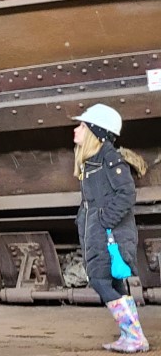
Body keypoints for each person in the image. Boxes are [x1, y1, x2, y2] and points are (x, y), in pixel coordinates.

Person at [73, 104, 149, 353]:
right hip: (97, 230)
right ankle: (131, 335)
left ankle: (135, 337)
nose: (76, 129)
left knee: (99, 279)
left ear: (95, 131)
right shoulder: (92, 161)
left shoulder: (109, 158)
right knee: (112, 282)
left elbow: (126, 193)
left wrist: (104, 220)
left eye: (82, 125)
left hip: (109, 233)